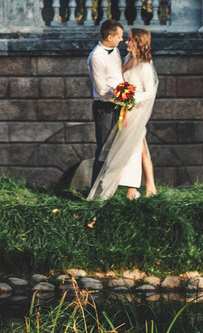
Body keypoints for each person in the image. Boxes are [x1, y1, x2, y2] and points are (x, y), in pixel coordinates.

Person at [89, 27, 161, 200]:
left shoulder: (144, 65)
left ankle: (133, 189)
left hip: (135, 110)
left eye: (129, 39)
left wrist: (131, 99)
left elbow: (150, 92)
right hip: (125, 109)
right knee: (139, 146)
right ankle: (145, 187)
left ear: (138, 42)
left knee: (135, 148)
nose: (126, 42)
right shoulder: (128, 57)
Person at [67, 19, 127, 195]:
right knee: (104, 148)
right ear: (109, 36)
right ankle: (96, 191)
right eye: (120, 37)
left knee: (117, 147)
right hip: (105, 108)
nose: (121, 40)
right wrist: (121, 94)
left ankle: (112, 188)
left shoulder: (115, 50)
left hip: (119, 106)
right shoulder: (96, 57)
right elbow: (101, 90)